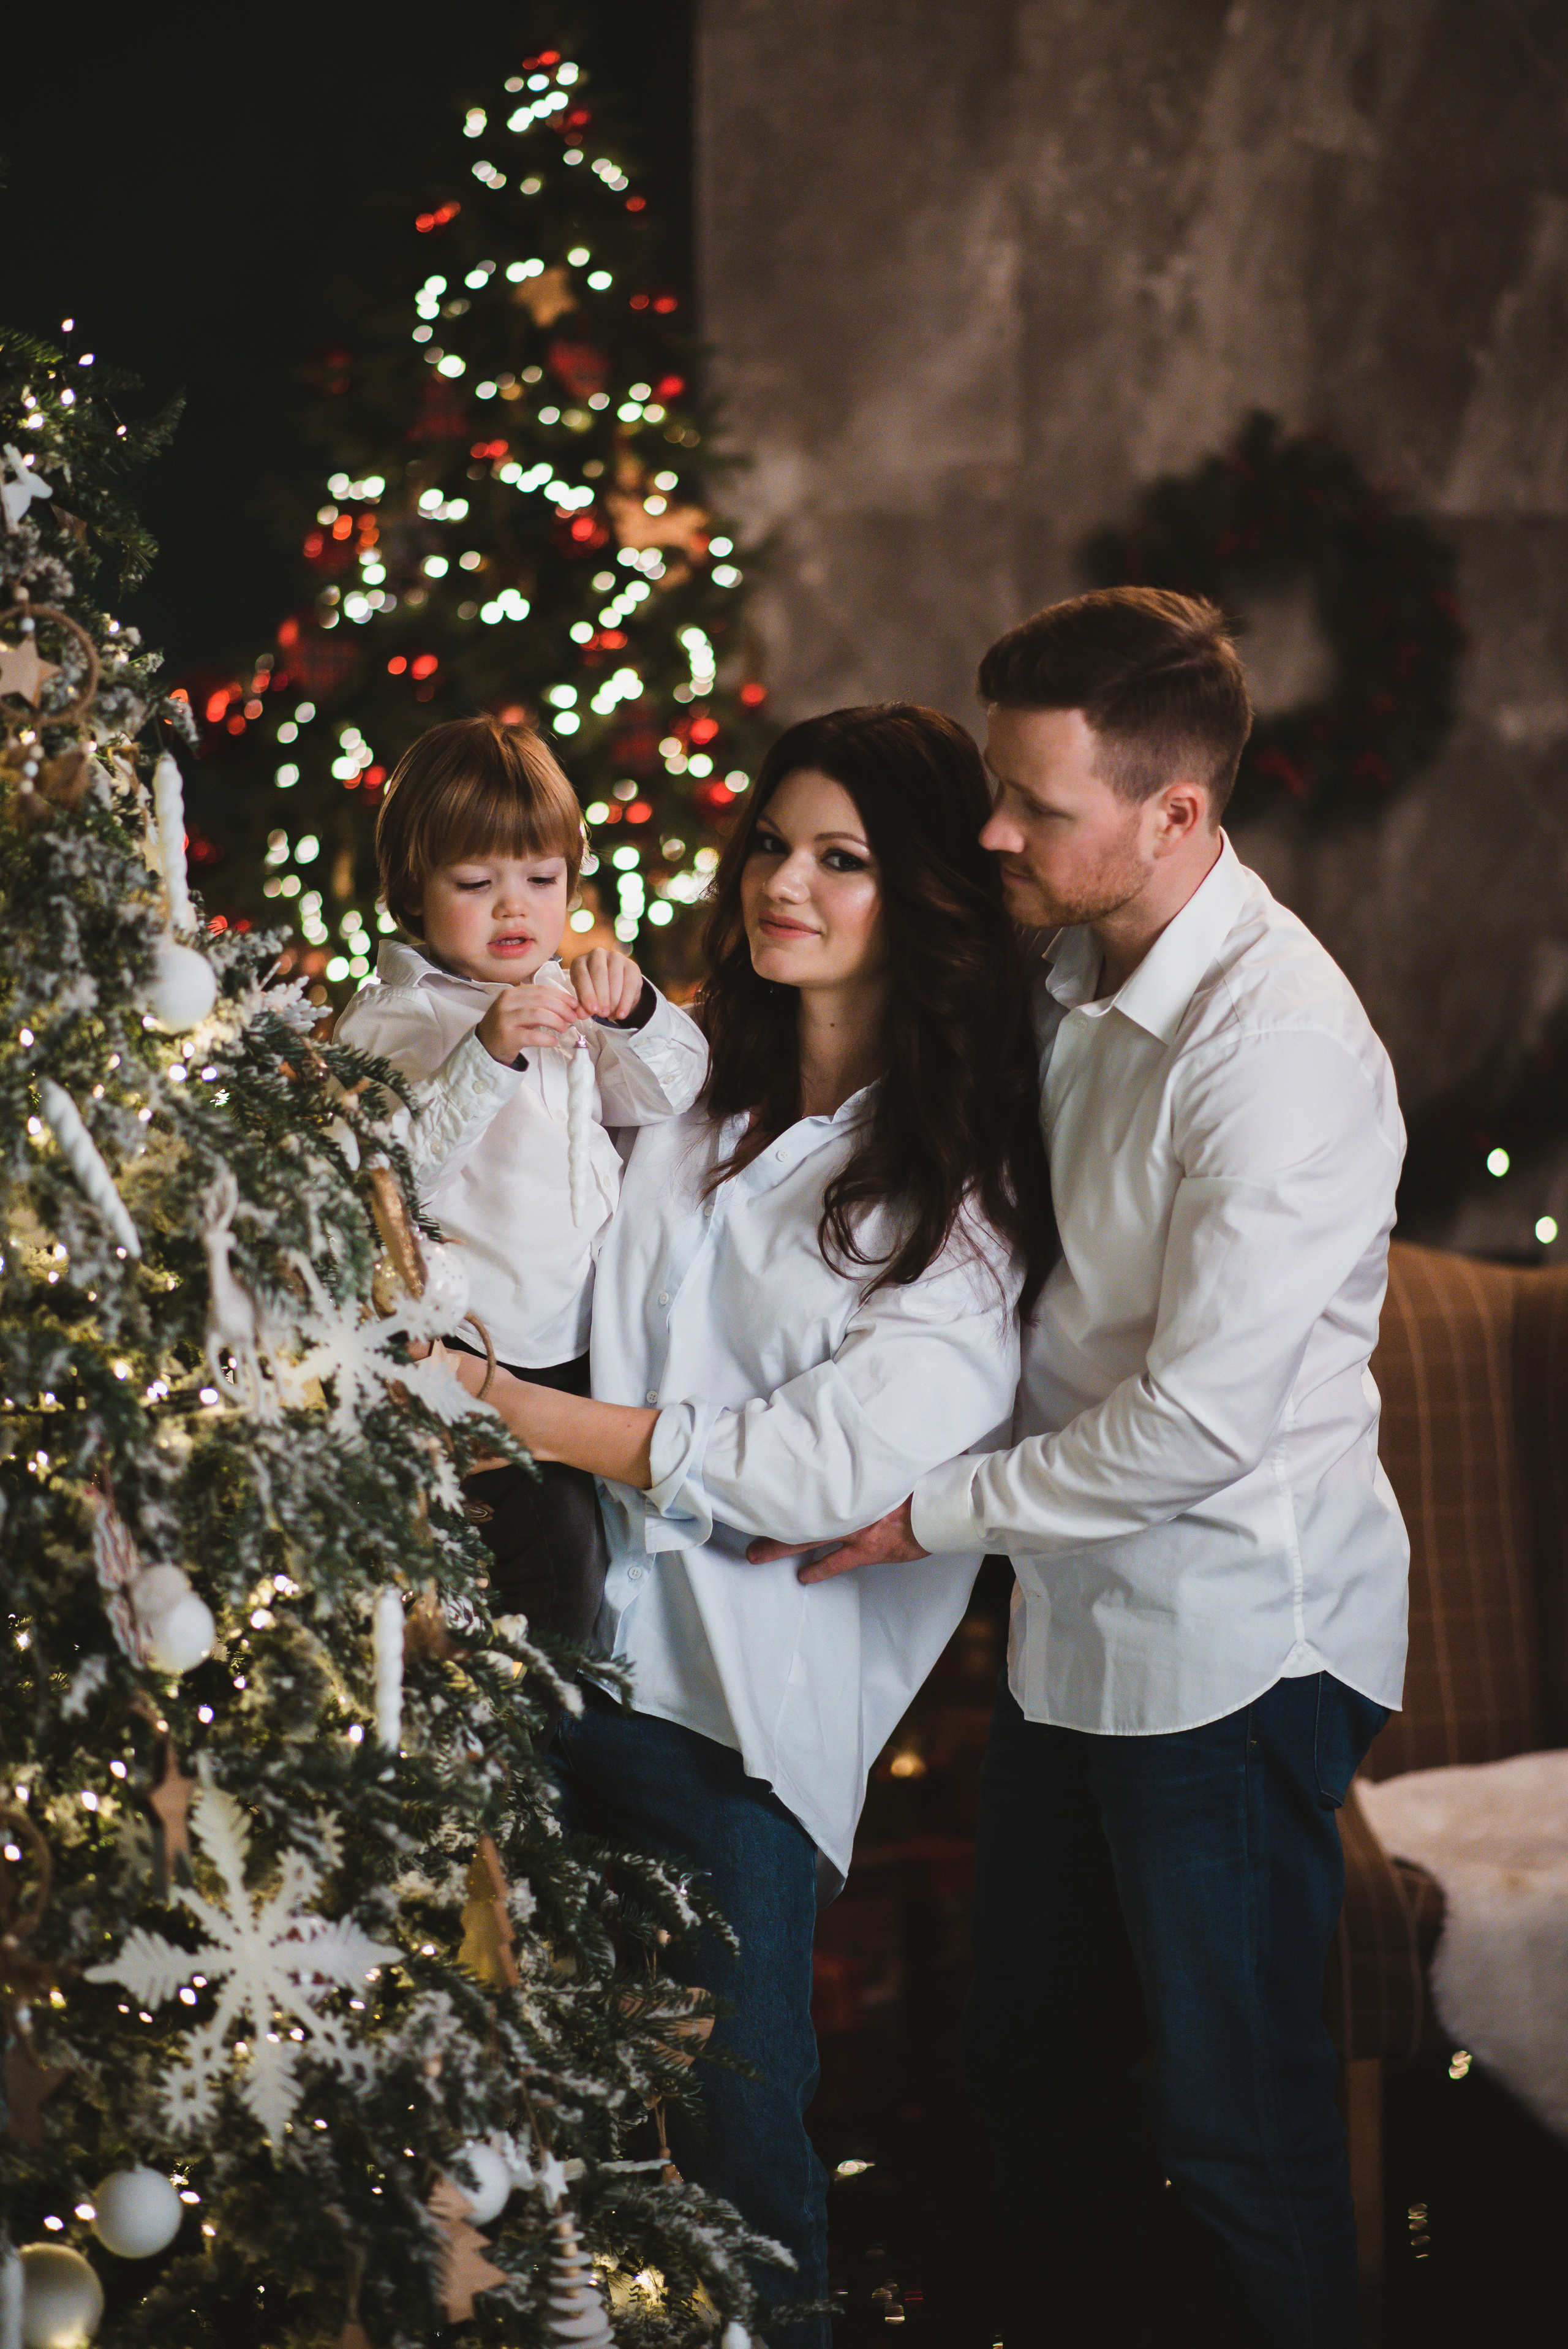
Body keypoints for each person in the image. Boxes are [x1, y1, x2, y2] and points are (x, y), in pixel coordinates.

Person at [751, 591, 1409, 2348]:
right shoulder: (1061, 954)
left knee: (1235, 2129)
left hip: (1236, 1645)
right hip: (1079, 1631)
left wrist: (925, 1512)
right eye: (997, 789)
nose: (993, 833)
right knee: (1033, 2084)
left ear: (1177, 812)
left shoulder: (1278, 1055)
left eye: (1037, 806)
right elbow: (846, 1000)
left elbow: (1200, 1422)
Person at [435, 703, 1055, 2349]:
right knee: (520, 2164)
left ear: (918, 895)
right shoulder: (687, 1090)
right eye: (772, 844)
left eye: (840, 859)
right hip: (545, 1671)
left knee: (732, 2181)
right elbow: (509, 1203)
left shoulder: (965, 1199)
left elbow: (814, 1465)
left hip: (729, 1737)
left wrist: (512, 1408)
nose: (786, 881)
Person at [336, 714, 706, 1647]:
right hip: (466, 1362)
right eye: (476, 883)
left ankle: (553, 1743)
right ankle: (517, 1760)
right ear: (413, 894)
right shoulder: (396, 1022)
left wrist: (636, 1013)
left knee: (595, 1583)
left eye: (541, 881)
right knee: (542, 1590)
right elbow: (387, 1181)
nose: (515, 909)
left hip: (580, 1359)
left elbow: (673, 1090)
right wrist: (486, 1054)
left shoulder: (561, 996)